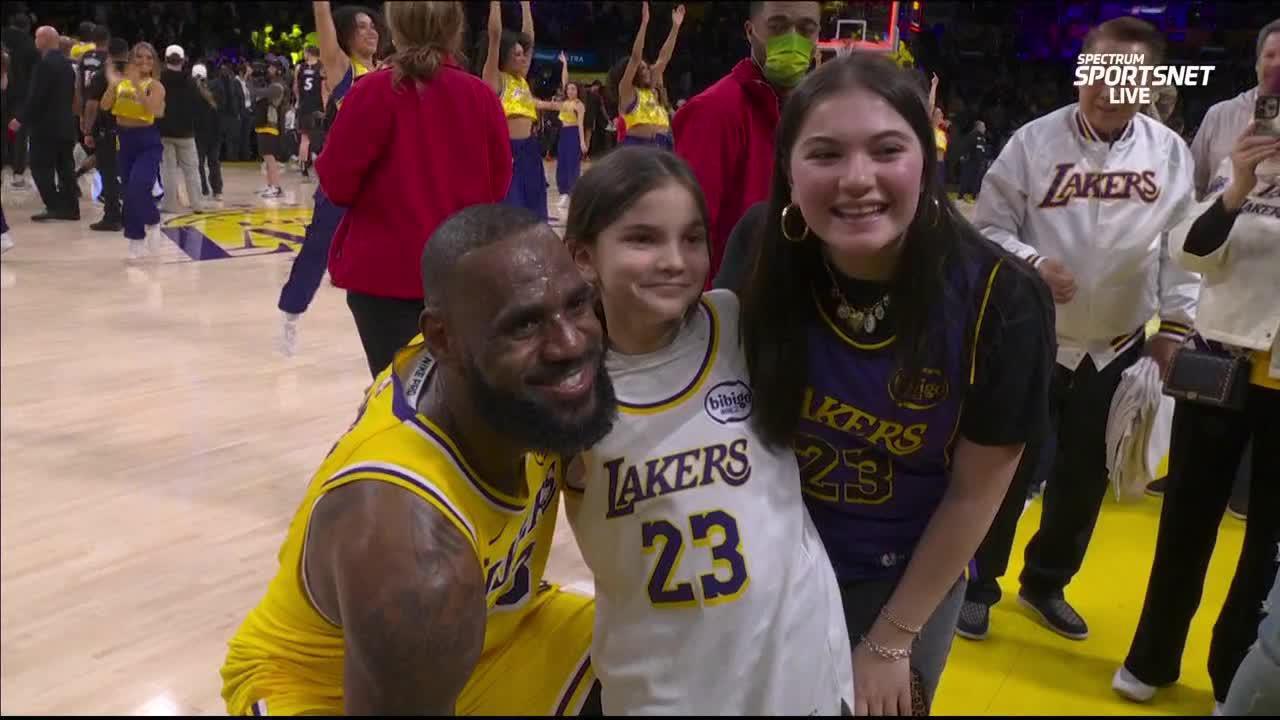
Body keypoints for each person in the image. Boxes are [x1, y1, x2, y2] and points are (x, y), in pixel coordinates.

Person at [731, 53, 1054, 714]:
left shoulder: (1004, 299)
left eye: (886, 150)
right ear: (788, 170)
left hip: (903, 578)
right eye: (824, 154)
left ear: (927, 159)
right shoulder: (759, 249)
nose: (857, 180)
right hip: (764, 566)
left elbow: (976, 492)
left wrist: (889, 641)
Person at [220, 202, 618, 715]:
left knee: (680, 648)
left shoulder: (486, 363)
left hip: (494, 635)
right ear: (442, 340)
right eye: (524, 326)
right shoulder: (415, 559)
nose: (568, 342)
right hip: (329, 689)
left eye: (577, 305)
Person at [560, 145, 854, 715]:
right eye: (643, 239)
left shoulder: (739, 322)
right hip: (661, 681)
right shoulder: (562, 386)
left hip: (796, 668)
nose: (675, 260)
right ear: (583, 257)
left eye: (692, 238)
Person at [961, 16, 1198, 643]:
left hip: (1118, 344)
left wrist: (1174, 326)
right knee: (1005, 466)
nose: (1108, 87)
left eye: (1126, 76)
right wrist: (1035, 264)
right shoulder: (1032, 143)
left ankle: (1045, 582)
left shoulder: (1169, 152)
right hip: (1033, 336)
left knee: (1085, 478)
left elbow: (1182, 249)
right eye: (1098, 71)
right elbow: (985, 228)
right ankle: (978, 583)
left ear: (1149, 84)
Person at [1113, 120, 1280, 713]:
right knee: (1185, 520)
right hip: (1220, 370)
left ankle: (1233, 672)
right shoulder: (1247, 179)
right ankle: (1151, 656)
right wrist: (1237, 186)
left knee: (1268, 543)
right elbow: (1189, 251)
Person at [317, 0, 512, 378]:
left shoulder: (371, 91)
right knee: (460, 392)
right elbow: (498, 186)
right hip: (462, 275)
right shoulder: (482, 97)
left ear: (396, 28)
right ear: (455, 28)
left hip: (383, 278)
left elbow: (336, 185)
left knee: (398, 398)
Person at [672, 0, 821, 286]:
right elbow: (687, 231)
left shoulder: (817, 112)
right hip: (733, 304)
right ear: (750, 31)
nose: (793, 39)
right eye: (777, 26)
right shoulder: (713, 111)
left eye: (806, 29)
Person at [275, 0, 380, 357]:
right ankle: (291, 314)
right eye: (362, 26)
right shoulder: (342, 68)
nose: (371, 31)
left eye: (373, 25)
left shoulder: (386, 71)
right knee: (317, 250)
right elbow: (323, 20)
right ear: (346, 35)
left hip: (381, 181)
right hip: (346, 178)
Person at [482, 0, 563, 221]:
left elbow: (530, 40)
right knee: (510, 211)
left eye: (523, 54)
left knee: (535, 207)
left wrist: (526, 6)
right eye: (517, 54)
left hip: (530, 149)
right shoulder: (496, 79)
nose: (523, 58)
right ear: (504, 56)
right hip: (507, 151)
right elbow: (495, 36)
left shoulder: (522, 80)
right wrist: (496, 5)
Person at [100, 42, 167, 261]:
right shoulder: (121, 83)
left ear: (154, 62)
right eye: (139, 57)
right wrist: (113, 84)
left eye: (149, 58)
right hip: (124, 141)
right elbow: (104, 106)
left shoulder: (155, 85)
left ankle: (153, 220)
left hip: (147, 142)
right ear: (131, 60)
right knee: (128, 193)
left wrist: (137, 84)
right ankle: (135, 237)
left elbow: (153, 110)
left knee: (139, 187)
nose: (144, 61)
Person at [10, 25, 78, 222]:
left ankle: (54, 205)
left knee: (40, 167)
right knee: (65, 167)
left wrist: (20, 118)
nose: (35, 41)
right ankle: (71, 207)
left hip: (46, 127)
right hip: (65, 124)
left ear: (45, 40)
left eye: (37, 37)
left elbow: (37, 97)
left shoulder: (44, 64)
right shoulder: (67, 64)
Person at [608, 2, 684, 151]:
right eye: (641, 69)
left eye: (646, 67)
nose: (647, 70)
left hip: (662, 146)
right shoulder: (626, 90)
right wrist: (644, 24)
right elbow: (636, 58)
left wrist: (675, 28)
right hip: (637, 148)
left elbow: (664, 57)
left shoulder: (651, 87)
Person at [81, 37, 128, 232]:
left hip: (108, 131)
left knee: (109, 174)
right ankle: (130, 213)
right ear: (127, 52)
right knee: (129, 174)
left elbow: (93, 105)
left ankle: (112, 217)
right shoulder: (137, 74)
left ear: (109, 53)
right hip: (133, 130)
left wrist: (88, 130)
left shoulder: (102, 75)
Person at [157, 44, 205, 214]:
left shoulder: (159, 79)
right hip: (186, 132)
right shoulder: (191, 82)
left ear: (166, 59)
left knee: (168, 170)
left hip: (164, 131)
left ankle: (170, 204)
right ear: (183, 60)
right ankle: (197, 204)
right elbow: (198, 105)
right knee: (191, 170)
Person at [3, 13, 37, 189]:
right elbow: (35, 74)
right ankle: (17, 173)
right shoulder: (29, 43)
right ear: (27, 27)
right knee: (19, 132)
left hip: (3, 91)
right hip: (21, 93)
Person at [553, 51, 585, 213]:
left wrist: (582, 141)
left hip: (573, 134)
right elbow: (564, 79)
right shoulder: (565, 101)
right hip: (564, 135)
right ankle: (564, 192)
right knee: (562, 163)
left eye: (573, 89)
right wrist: (565, 64)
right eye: (569, 89)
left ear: (577, 91)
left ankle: (573, 194)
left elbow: (580, 124)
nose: (571, 91)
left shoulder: (579, 105)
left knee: (573, 164)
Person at [251, 60, 287, 200]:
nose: (269, 69)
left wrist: (250, 81)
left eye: (272, 67)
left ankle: (276, 187)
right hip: (263, 125)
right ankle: (270, 185)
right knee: (266, 159)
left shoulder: (278, 86)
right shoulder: (271, 84)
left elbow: (259, 93)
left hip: (271, 126)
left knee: (270, 158)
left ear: (279, 70)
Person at [191, 62, 222, 202]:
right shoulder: (215, 90)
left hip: (198, 134)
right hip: (214, 133)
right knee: (214, 162)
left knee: (199, 163)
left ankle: (203, 190)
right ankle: (217, 190)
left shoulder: (191, 92)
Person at [293, 45, 325, 181]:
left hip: (304, 106)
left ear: (308, 53)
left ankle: (304, 171)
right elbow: (325, 88)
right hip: (317, 106)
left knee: (305, 139)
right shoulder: (322, 67)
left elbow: (295, 87)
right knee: (323, 138)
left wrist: (298, 102)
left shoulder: (299, 68)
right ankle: (323, 169)